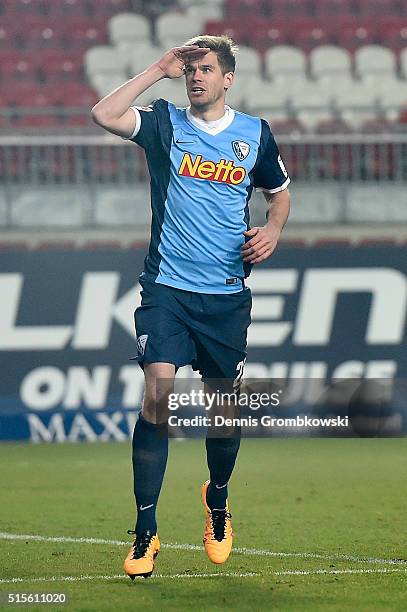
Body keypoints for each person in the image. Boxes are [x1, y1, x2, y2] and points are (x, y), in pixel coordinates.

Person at [91, 34, 290, 580]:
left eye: (206, 70)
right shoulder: (163, 123)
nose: (195, 76)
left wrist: (273, 229)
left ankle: (218, 501)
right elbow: (104, 113)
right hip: (167, 289)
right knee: (157, 390)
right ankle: (145, 530)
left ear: (228, 78)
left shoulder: (255, 135)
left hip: (225, 296)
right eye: (190, 70)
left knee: (223, 410)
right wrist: (158, 67)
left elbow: (279, 194)